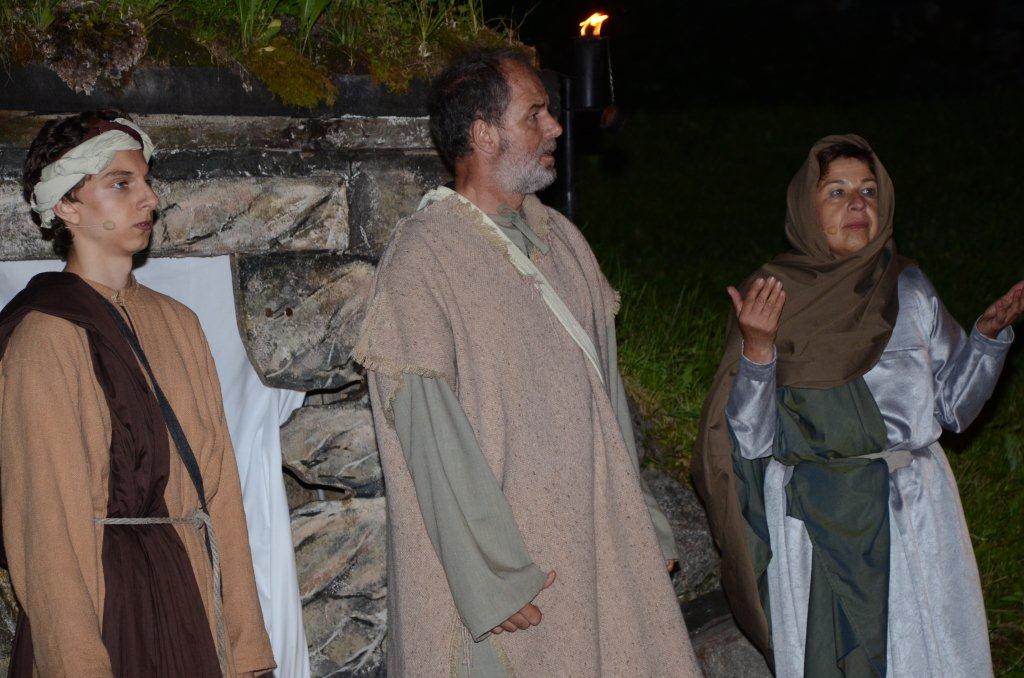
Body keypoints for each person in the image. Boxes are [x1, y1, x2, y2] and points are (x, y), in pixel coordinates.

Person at [355, 47, 698, 675]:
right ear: (484, 133)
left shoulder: (564, 242)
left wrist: (643, 522)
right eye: (534, 114)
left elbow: (608, 402)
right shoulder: (423, 259)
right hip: (512, 578)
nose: (556, 128)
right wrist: (495, 574)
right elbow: (429, 434)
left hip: (594, 546)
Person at [692, 134, 1022, 677]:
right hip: (817, 526)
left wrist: (986, 339)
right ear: (806, 206)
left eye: (868, 191)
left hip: (911, 512)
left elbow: (954, 410)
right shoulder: (772, 296)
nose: (857, 205)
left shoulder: (909, 288)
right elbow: (751, 440)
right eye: (837, 192)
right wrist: (758, 349)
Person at [0, 110, 275, 676]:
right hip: (106, 612)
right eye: (121, 184)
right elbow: (46, 533)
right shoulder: (44, 338)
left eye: (146, 181)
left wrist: (244, 645)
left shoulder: (179, 325)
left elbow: (221, 493)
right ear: (67, 206)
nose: (149, 198)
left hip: (188, 603)